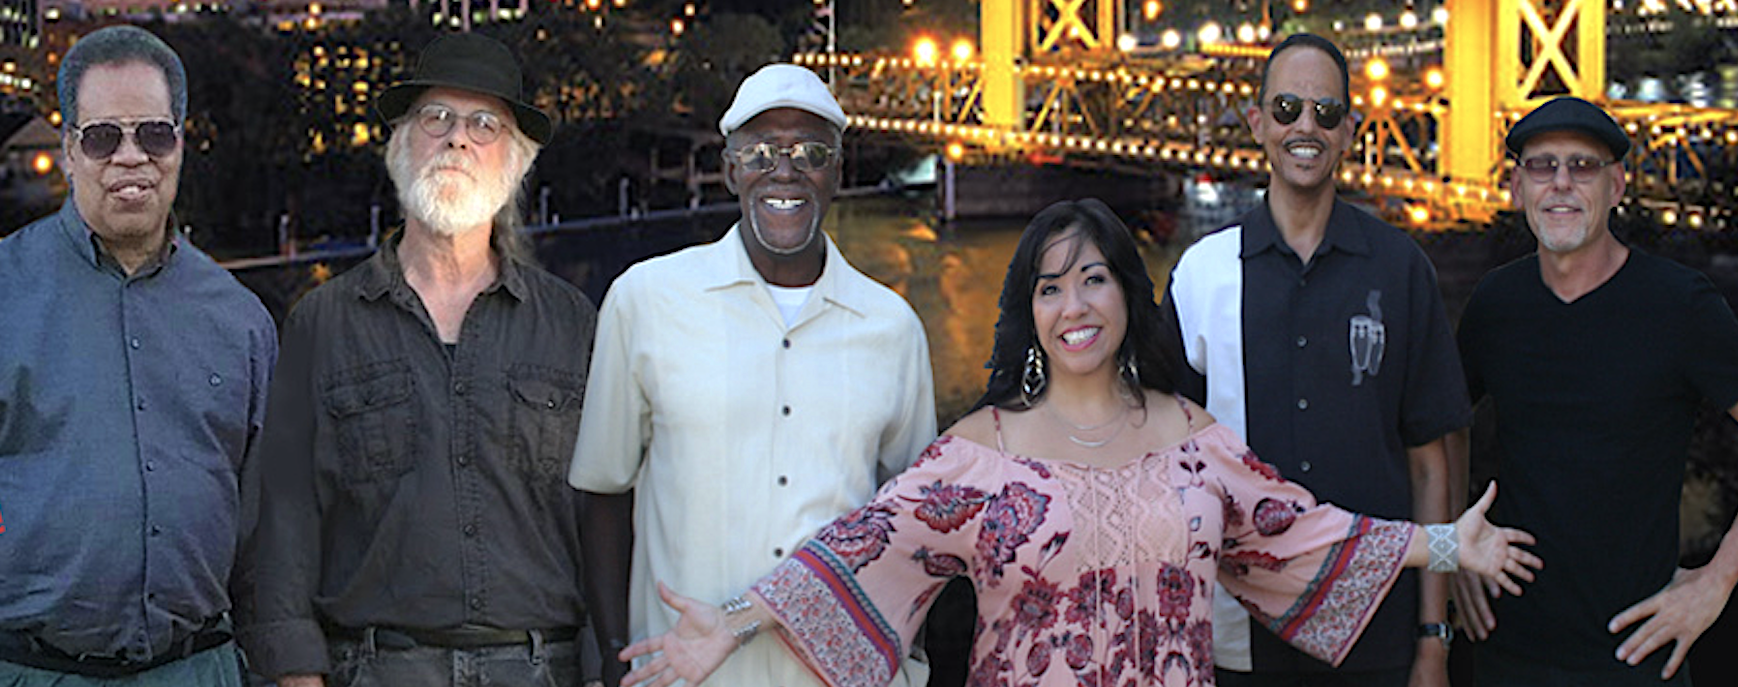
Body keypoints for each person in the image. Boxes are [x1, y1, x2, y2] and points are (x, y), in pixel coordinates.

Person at [614, 199, 1541, 687]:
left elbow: (1300, 531)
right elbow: (857, 550)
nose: (1074, 305)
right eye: (1050, 288)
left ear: (1129, 297)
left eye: (1094, 279)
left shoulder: (1192, 437)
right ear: (1030, 312)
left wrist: (1455, 542)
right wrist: (728, 625)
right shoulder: (978, 453)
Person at [246, 32, 601, 687]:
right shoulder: (322, 323)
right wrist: (296, 674)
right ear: (400, 144)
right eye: (435, 118)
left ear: (516, 163)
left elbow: (604, 521)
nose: (457, 140)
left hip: (541, 669)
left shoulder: (572, 322)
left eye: (484, 124)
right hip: (377, 668)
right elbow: (283, 524)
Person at [569, 63, 937, 687]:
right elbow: (602, 491)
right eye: (761, 152)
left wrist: (911, 662)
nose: (785, 172)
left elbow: (914, 529)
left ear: (839, 174)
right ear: (730, 167)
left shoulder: (893, 327)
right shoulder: (645, 300)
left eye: (811, 154)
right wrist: (612, 657)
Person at [1157, 32, 1471, 687]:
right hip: (1236, 630)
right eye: (1287, 109)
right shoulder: (1203, 273)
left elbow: (1428, 465)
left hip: (1379, 628)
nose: (1306, 126)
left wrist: (1433, 642)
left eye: (1326, 113)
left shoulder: (1401, 268)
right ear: (1256, 124)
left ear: (1351, 130)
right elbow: (1161, 467)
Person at [0, 25, 277, 684]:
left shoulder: (242, 320)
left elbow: (268, 535)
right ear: (69, 150)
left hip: (199, 668)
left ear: (181, 143)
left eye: (154, 133)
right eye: (102, 137)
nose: (130, 156)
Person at [1449, 96, 1738, 684]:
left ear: (1618, 185)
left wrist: (1718, 580)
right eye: (1541, 166)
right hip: (1508, 653)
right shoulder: (1495, 304)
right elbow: (1441, 427)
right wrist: (1452, 547)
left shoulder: (1682, 306)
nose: (1560, 183)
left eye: (1583, 166)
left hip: (1636, 657)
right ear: (1514, 187)